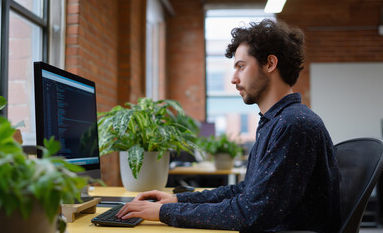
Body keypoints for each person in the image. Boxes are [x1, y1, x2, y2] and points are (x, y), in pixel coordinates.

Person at [116, 19, 341, 232]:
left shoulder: (293, 125)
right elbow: (244, 192)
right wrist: (177, 199)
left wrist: (165, 211)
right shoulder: (276, 121)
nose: (233, 79)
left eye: (241, 66)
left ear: (270, 63)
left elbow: (250, 212)